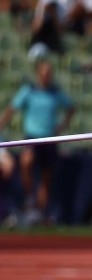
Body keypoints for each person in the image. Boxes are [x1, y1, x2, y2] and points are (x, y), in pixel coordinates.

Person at [0, 59, 75, 226]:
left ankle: (40, 214)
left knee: (46, 178)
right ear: (38, 73)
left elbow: (71, 108)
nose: (46, 75)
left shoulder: (56, 93)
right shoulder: (29, 90)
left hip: (50, 138)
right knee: (26, 162)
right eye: (44, 71)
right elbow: (12, 109)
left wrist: (62, 127)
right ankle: (29, 198)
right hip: (32, 136)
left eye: (49, 72)